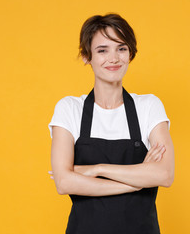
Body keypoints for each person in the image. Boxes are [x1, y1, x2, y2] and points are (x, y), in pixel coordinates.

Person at [48, 13, 174, 234]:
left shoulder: (148, 106)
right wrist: (137, 180)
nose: (114, 58)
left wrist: (97, 169)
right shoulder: (70, 109)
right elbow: (64, 183)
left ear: (130, 54)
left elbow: (164, 175)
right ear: (87, 56)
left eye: (121, 48)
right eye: (102, 50)